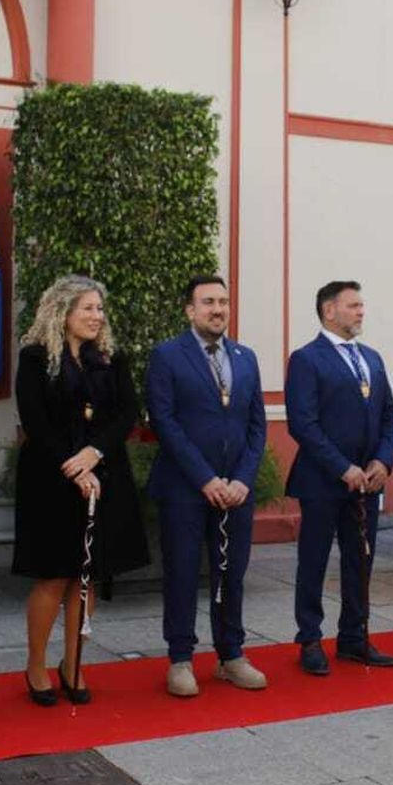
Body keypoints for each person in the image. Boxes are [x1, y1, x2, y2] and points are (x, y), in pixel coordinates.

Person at [13, 276, 148, 705]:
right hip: (50, 480)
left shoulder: (109, 358)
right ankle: (36, 666)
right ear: (63, 311)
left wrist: (93, 454)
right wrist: (72, 467)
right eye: (87, 308)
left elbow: (127, 412)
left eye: (99, 309)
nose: (97, 317)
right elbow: (34, 420)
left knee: (86, 578)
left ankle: (73, 664)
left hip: (102, 476)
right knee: (54, 575)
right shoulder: (35, 358)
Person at [145, 275, 268, 697]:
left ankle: (231, 655)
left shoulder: (246, 357)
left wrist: (242, 480)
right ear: (190, 310)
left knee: (231, 574)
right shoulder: (167, 356)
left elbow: (256, 427)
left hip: (235, 491)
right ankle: (180, 658)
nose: (218, 309)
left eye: (224, 301)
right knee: (181, 574)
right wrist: (206, 479)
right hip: (185, 488)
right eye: (208, 302)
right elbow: (165, 422)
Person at [285, 280, 393, 675]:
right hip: (322, 481)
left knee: (360, 560)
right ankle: (310, 640)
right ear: (329, 310)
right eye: (353, 305)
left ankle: (354, 636)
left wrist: (383, 461)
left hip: (367, 483)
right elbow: (303, 423)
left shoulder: (372, 358)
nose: (361, 312)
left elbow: (388, 415)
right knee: (313, 561)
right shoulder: (307, 358)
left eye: (362, 305)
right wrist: (342, 467)